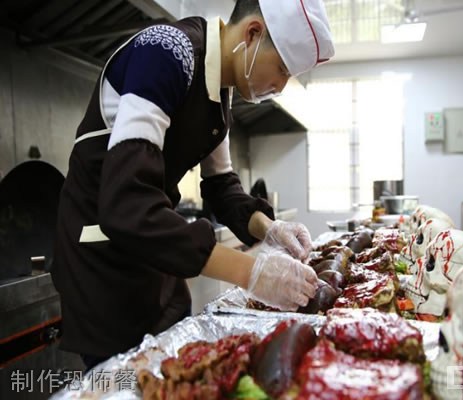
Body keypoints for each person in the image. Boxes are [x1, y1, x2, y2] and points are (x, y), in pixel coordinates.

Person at [50, 0, 334, 371]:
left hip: (157, 260)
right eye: (281, 69)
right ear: (252, 34)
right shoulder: (166, 53)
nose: (279, 86)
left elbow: (222, 186)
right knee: (125, 383)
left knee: (177, 373)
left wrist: (270, 228)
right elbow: (128, 205)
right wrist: (252, 273)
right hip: (104, 265)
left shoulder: (220, 93)